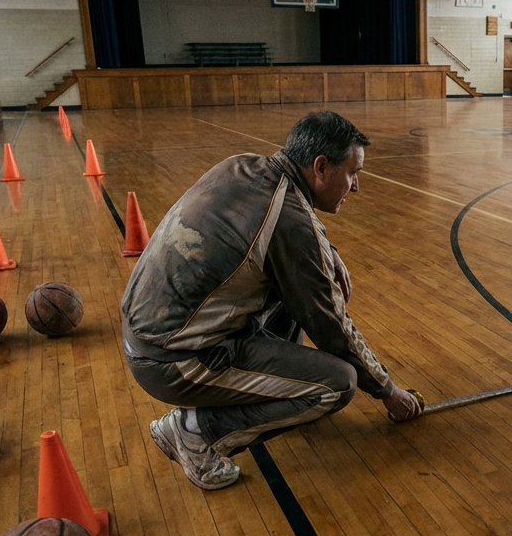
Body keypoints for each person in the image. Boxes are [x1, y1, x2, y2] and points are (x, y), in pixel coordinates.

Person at [121, 111, 423, 490]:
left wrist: (325, 247)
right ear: (320, 167)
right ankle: (196, 434)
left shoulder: (241, 165)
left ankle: (283, 389)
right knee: (338, 384)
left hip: (148, 335)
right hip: (175, 362)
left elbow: (276, 222)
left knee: (292, 287)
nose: (356, 186)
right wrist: (388, 390)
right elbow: (333, 331)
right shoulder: (292, 226)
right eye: (352, 172)